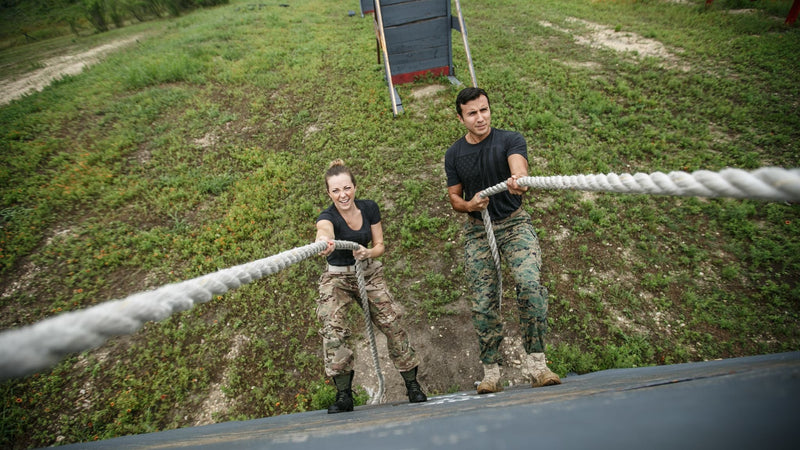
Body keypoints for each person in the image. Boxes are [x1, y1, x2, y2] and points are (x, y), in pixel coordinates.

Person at [444, 87, 561, 394]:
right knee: (484, 303)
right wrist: (470, 205)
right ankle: (491, 372)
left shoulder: (510, 139)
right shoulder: (455, 154)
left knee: (529, 286)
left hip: (514, 224)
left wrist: (518, 181)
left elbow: (519, 168)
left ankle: (537, 364)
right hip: (478, 230)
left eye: (484, 110)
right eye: (472, 113)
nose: (480, 118)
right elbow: (454, 197)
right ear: (460, 118)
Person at [315, 159, 427, 413]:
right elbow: (324, 230)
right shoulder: (327, 216)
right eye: (335, 190)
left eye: (346, 188)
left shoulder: (369, 208)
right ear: (328, 193)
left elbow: (380, 246)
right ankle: (344, 395)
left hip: (368, 273)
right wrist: (324, 242)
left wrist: (368, 253)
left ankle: (412, 385)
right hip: (338, 278)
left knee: (393, 322)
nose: (342, 195)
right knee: (333, 330)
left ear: (354, 187)